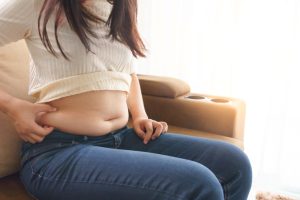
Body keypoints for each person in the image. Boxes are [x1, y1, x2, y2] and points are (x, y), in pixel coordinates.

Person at [0, 0, 252, 199]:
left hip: (120, 138)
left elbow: (126, 71)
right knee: (200, 184)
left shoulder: (119, 7)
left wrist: (139, 114)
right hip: (58, 152)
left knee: (234, 165)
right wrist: (13, 107)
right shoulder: (37, 4)